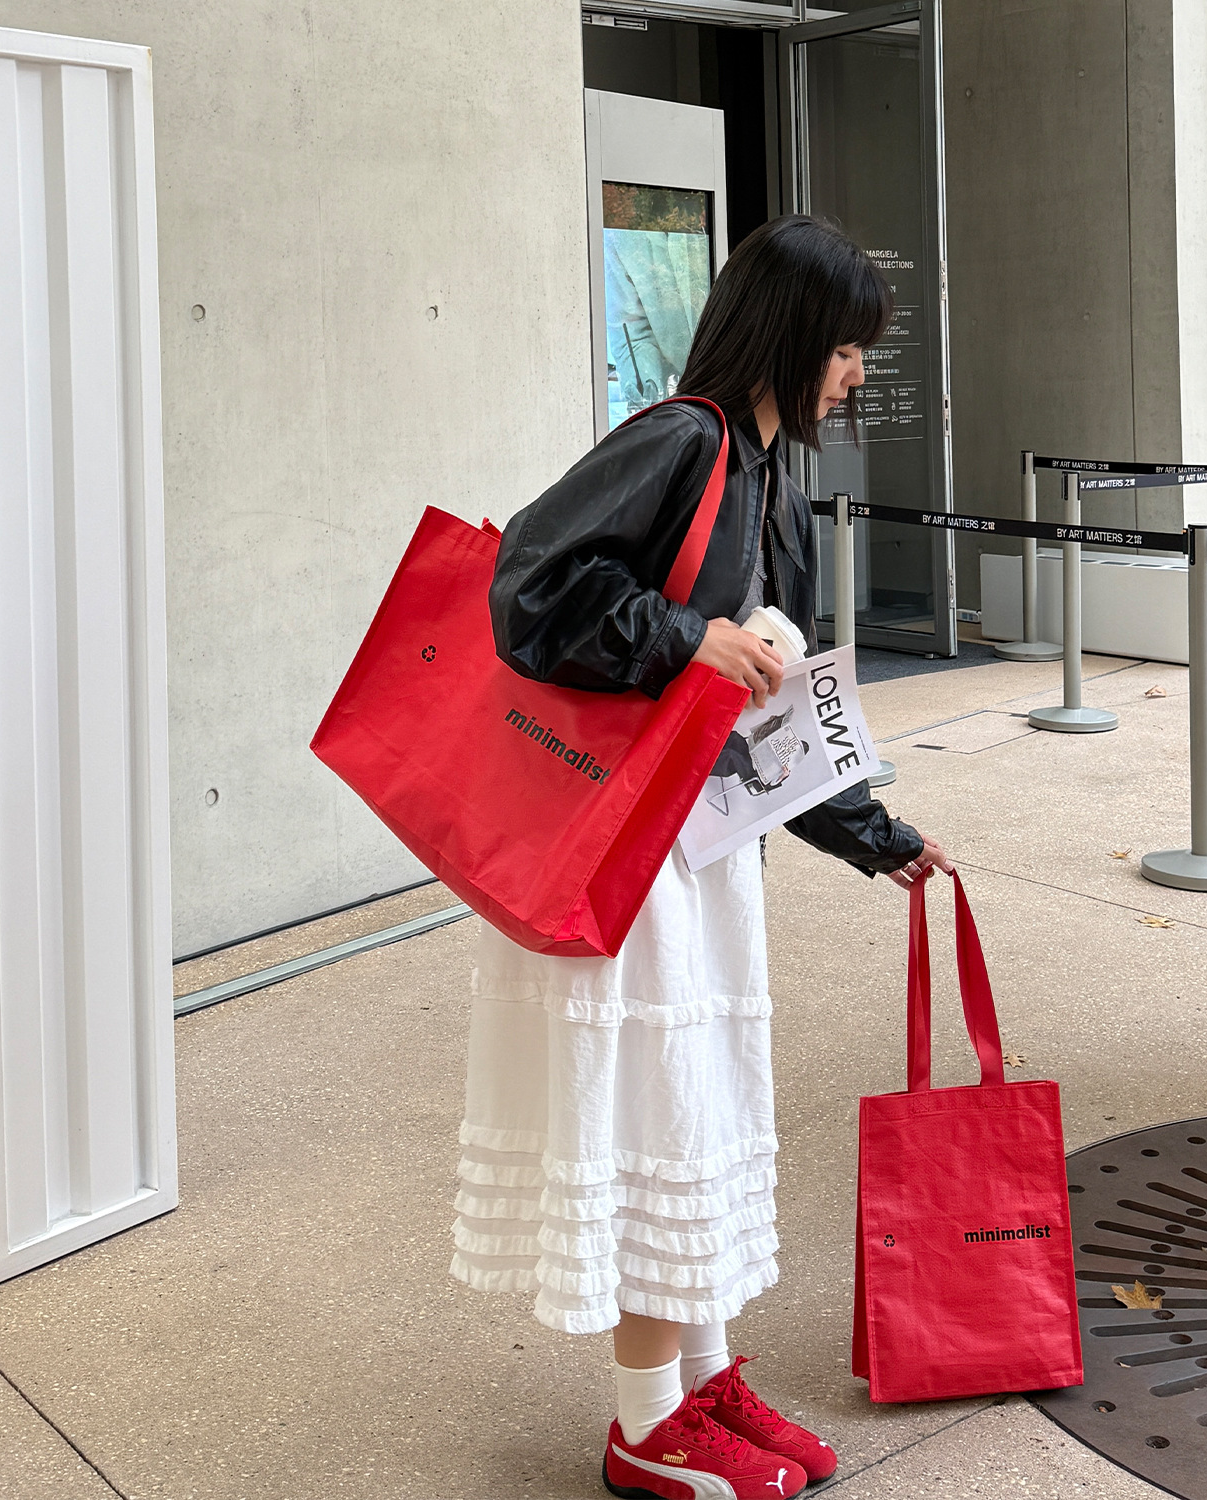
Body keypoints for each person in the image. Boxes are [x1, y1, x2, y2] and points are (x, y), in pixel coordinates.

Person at [452, 215, 951, 1500]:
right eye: (846, 348)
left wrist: (873, 837)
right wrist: (683, 639)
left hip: (701, 856)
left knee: (704, 1111)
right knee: (664, 1114)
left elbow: (771, 718)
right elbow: (527, 588)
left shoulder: (771, 473)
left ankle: (702, 1385)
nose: (857, 374)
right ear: (791, 335)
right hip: (629, 865)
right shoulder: (685, 439)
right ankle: (640, 1425)